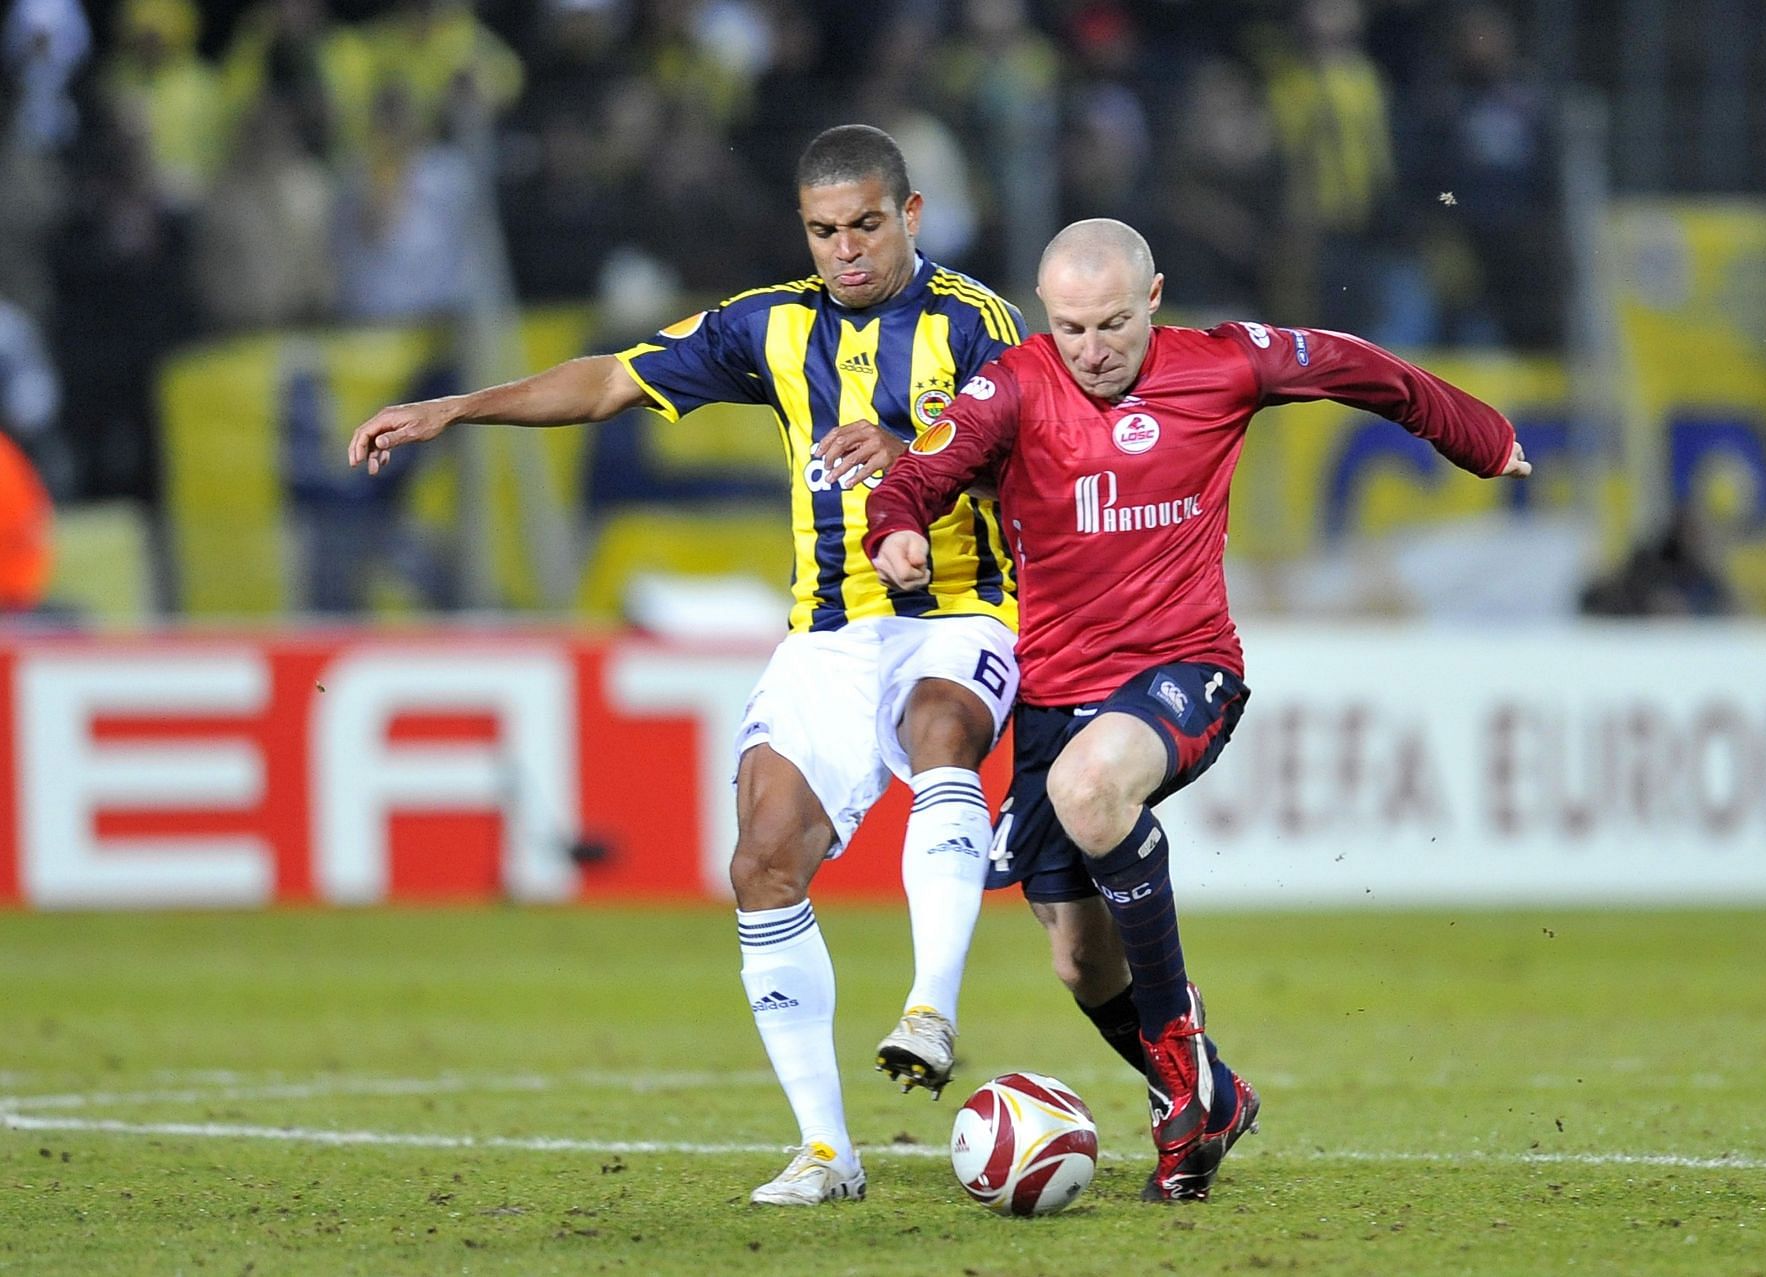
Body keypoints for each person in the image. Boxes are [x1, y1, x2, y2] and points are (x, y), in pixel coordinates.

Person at [346, 125, 1027, 1207]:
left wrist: (917, 458)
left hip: (960, 609)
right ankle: (825, 1151)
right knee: (760, 860)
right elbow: (611, 380)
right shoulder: (770, 324)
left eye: (863, 225)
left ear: (911, 215)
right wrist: (453, 410)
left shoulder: (977, 323)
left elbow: (1040, 474)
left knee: (943, 729)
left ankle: (930, 1010)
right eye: (821, 230)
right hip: (829, 630)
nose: (843, 249)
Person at [864, 218, 1530, 1200]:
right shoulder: (1012, 386)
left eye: (1112, 325)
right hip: (1055, 698)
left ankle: (1181, 1071)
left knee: (1096, 788)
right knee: (1076, 958)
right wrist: (896, 530)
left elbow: (1358, 367)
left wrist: (1478, 436)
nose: (1092, 349)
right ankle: (1210, 1093)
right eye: (1073, 327)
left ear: (1156, 299)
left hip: (1185, 670)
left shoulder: (1223, 365)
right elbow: (919, 470)